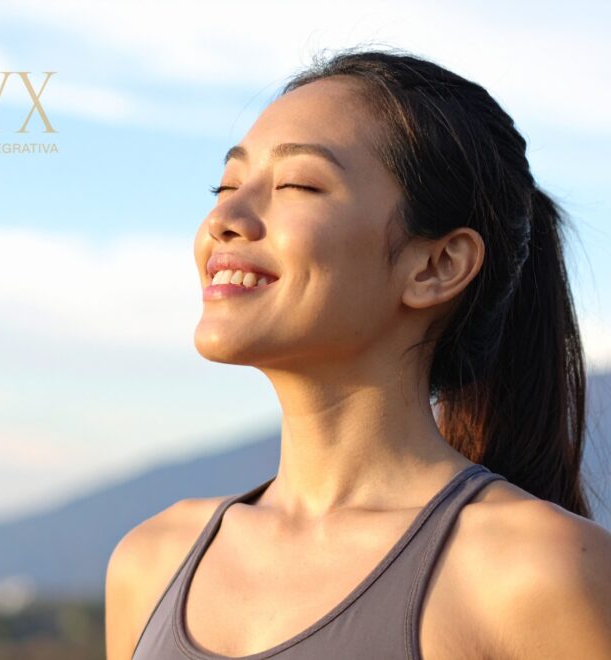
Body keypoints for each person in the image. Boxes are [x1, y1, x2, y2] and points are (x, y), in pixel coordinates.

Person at [105, 48, 611, 660]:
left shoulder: (534, 574)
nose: (224, 218)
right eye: (227, 184)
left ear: (436, 266)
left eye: (297, 184)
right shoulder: (153, 562)